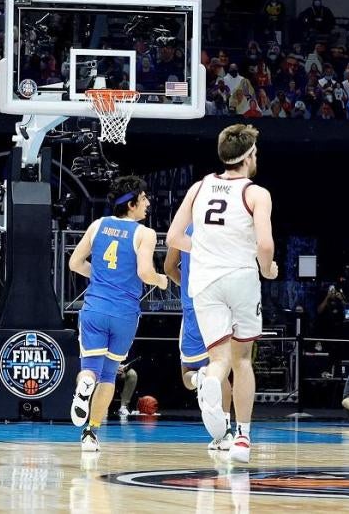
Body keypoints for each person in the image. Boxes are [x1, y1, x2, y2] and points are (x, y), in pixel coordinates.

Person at [167, 125, 277, 464]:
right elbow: (265, 245)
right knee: (242, 361)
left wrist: (203, 250)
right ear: (247, 157)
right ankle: (242, 437)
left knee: (219, 360)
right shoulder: (257, 193)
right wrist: (268, 268)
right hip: (240, 278)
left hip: (204, 281)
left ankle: (210, 382)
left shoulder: (199, 187)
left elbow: (173, 237)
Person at [66, 176, 170, 452]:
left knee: (90, 370)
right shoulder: (144, 233)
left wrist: (100, 278)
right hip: (124, 313)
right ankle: (91, 433)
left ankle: (84, 385)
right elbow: (145, 273)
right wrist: (161, 280)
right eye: (145, 198)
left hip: (95, 308)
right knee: (110, 375)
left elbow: (74, 263)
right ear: (132, 203)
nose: (148, 203)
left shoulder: (97, 225)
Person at [165, 225, 235, 451]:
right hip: (219, 303)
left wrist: (184, 285)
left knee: (187, 372)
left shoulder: (185, 228)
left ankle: (199, 379)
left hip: (193, 305)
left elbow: (168, 268)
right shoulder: (225, 224)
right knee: (222, 368)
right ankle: (225, 432)